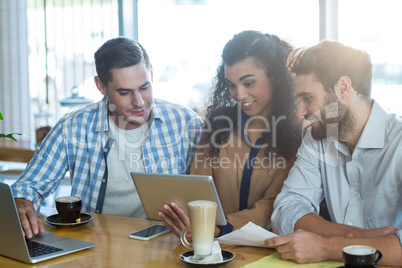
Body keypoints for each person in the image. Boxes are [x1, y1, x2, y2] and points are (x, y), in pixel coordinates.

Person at [12, 37, 202, 239]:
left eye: (144, 87)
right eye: (124, 92)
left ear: (152, 73)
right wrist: (22, 202)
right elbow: (29, 185)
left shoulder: (186, 122)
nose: (139, 102)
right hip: (98, 246)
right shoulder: (74, 126)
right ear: (101, 86)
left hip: (168, 243)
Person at [266, 40, 402, 266]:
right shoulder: (318, 137)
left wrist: (326, 246)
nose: (300, 112)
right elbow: (287, 208)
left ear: (343, 88)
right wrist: (355, 236)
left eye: (308, 98)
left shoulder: (398, 143)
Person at [159, 30, 301, 237]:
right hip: (211, 244)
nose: (240, 95)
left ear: (276, 77)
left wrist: (221, 228)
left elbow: (273, 204)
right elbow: (198, 188)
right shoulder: (218, 126)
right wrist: (193, 223)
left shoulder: (296, 133)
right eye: (231, 85)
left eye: (249, 83)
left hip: (267, 248)